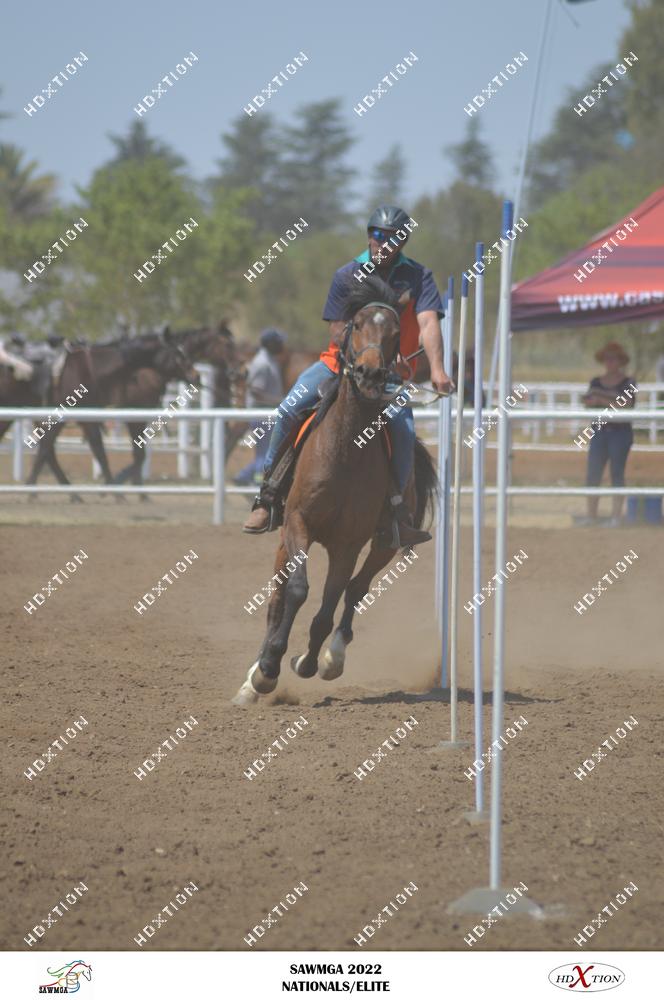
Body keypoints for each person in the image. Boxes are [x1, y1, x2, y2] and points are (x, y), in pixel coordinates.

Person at [242, 205, 454, 542]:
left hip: (390, 375)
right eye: (377, 234)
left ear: (403, 241)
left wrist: (438, 369)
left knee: (403, 431)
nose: (383, 242)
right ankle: (267, 499)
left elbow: (428, 323)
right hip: (337, 365)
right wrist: (365, 357)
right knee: (286, 411)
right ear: (369, 235)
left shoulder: (419, 276)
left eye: (393, 237)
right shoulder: (347, 274)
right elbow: (338, 328)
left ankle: (397, 517)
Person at [580, 341, 636, 526]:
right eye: (607, 358)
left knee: (616, 473)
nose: (610, 362)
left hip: (620, 433)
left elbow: (625, 403)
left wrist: (600, 398)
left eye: (613, 358)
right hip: (599, 431)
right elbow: (588, 400)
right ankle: (591, 516)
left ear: (620, 361)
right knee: (593, 473)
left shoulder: (629, 382)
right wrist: (605, 400)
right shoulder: (596, 381)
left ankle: (616, 517)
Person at [234, 328, 286, 486]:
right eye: (278, 342)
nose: (282, 345)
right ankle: (255, 484)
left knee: (264, 452)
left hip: (266, 413)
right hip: (261, 415)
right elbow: (256, 392)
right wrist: (279, 401)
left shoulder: (269, 360)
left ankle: (243, 477)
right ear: (270, 344)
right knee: (264, 453)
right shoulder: (262, 363)